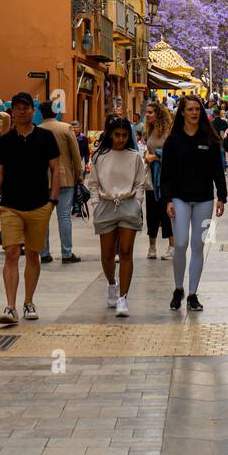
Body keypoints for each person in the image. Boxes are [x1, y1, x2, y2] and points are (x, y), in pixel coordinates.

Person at [0, 92, 60, 328]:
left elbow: (56, 169)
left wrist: (52, 201)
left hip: (39, 205)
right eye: (17, 108)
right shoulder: (5, 142)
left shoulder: (45, 137)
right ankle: (10, 306)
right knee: (11, 253)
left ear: (32, 110)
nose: (22, 111)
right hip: (10, 206)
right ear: (12, 112)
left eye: (25, 107)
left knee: (34, 254)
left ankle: (29, 301)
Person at [160, 95, 227, 312]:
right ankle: (178, 288)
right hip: (178, 197)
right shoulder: (173, 140)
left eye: (197, 109)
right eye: (190, 109)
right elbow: (166, 172)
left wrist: (222, 197)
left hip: (205, 199)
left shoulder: (209, 138)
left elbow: (218, 170)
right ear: (182, 112)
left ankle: (192, 294)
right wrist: (168, 199)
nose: (194, 113)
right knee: (180, 243)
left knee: (198, 246)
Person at [87, 115, 147, 317]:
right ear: (110, 135)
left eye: (123, 135)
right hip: (105, 204)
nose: (120, 139)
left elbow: (140, 182)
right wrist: (96, 204)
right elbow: (93, 183)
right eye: (117, 135)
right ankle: (112, 284)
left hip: (128, 203)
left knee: (126, 251)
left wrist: (137, 203)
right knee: (107, 254)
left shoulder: (135, 156)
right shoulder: (99, 156)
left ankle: (123, 298)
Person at [38, 101, 85, 265]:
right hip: (65, 179)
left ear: (41, 114)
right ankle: (66, 253)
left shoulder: (37, 130)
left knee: (43, 217)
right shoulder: (66, 128)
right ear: (55, 112)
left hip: (42, 180)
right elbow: (75, 154)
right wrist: (79, 175)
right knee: (64, 216)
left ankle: (44, 253)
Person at [143, 101, 174, 260]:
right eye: (146, 112)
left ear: (158, 114)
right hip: (150, 177)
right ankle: (152, 246)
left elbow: (172, 153)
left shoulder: (168, 131)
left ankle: (172, 246)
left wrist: (155, 156)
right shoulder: (149, 130)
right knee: (151, 212)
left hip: (165, 177)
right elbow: (147, 149)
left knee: (166, 212)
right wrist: (147, 157)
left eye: (150, 112)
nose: (147, 115)